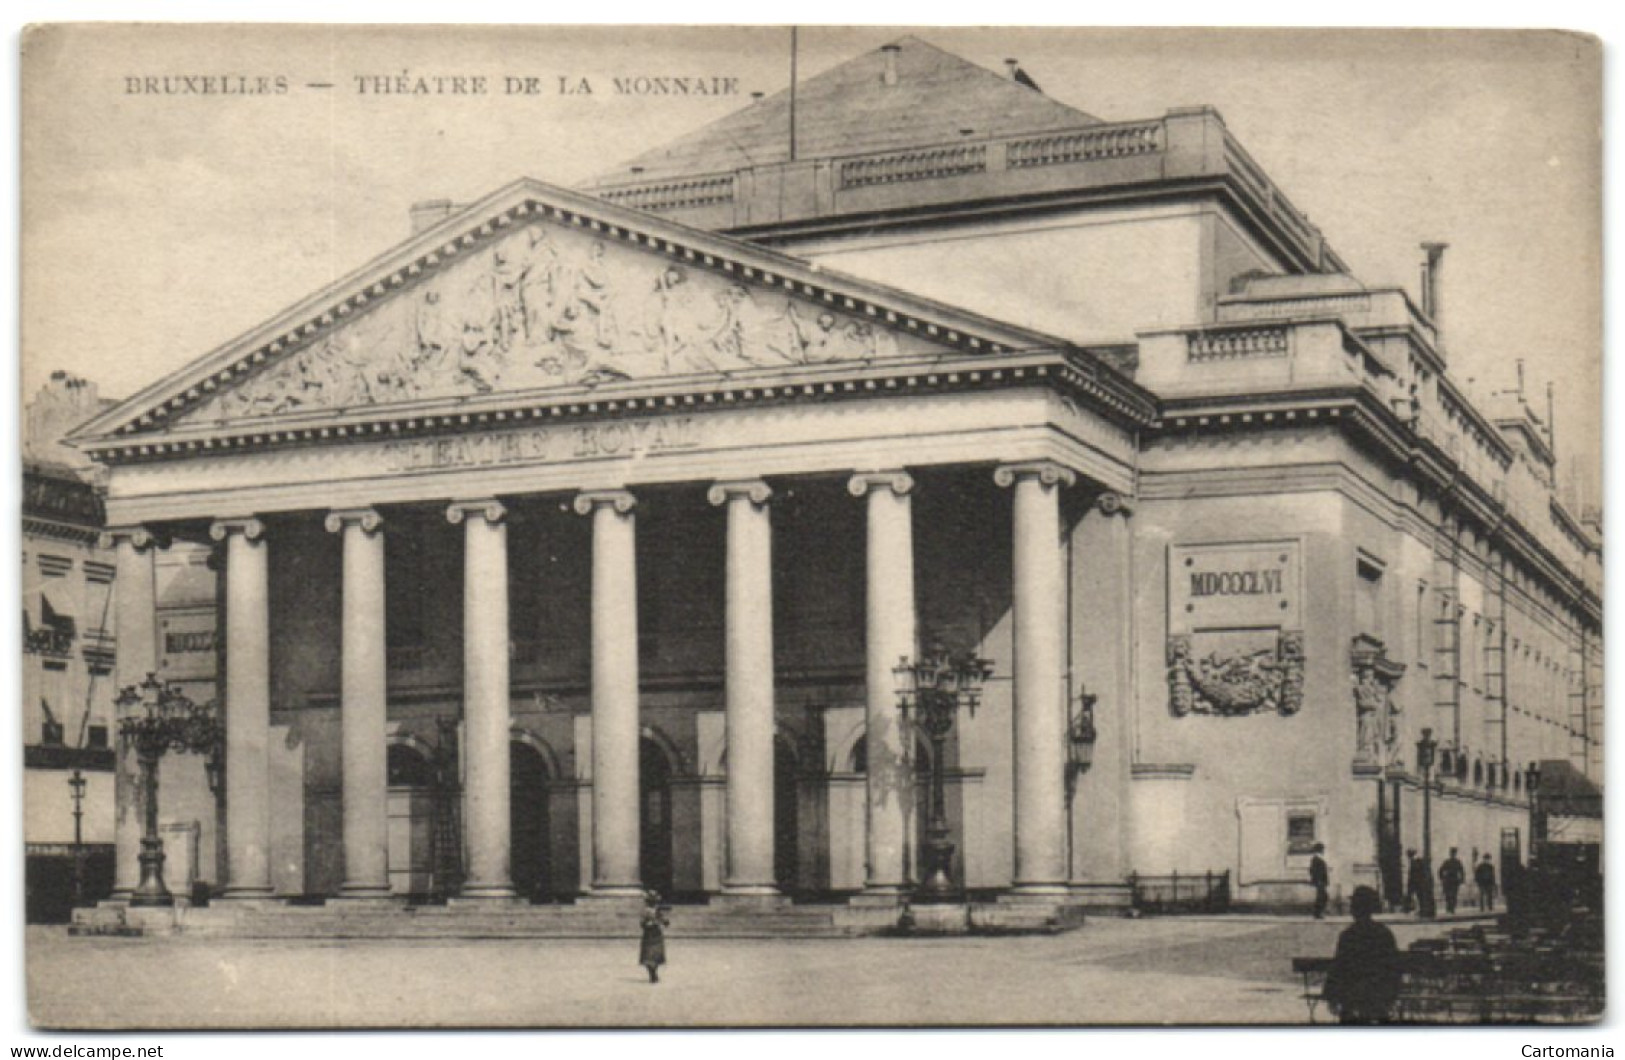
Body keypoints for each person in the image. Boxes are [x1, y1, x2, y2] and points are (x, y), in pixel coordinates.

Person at [1322, 885, 1403, 1024]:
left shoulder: (1348, 935)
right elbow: (1393, 966)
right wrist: (1392, 994)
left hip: (1352, 997)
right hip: (1378, 995)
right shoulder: (1383, 933)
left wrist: (1332, 995)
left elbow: (1339, 967)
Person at [640, 890, 670, 984]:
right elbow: (642, 922)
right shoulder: (646, 911)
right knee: (650, 953)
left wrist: (663, 921)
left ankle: (653, 973)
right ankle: (652, 973)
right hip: (651, 933)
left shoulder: (656, 910)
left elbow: (664, 920)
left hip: (654, 933)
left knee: (653, 953)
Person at [1407, 849, 1436, 919]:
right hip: (1422, 884)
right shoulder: (1419, 862)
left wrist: (1410, 886)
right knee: (1423, 897)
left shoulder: (1415, 862)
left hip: (1419, 884)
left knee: (1421, 898)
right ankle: (1427, 911)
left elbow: (1413, 876)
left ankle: (1425, 911)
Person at [1439, 848, 1465, 915]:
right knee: (1451, 895)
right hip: (1451, 880)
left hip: (1450, 880)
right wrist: (1462, 879)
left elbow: (1461, 871)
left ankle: (1451, 908)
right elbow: (1441, 870)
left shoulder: (1449, 862)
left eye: (1453, 853)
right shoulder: (1455, 862)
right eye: (1452, 853)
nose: (1453, 855)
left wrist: (1442, 878)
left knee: (1452, 895)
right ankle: (1450, 908)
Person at [1308, 843, 1330, 919]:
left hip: (1321, 881)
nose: (1323, 850)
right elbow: (1313, 870)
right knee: (1322, 897)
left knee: (1322, 896)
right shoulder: (1316, 859)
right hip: (1320, 881)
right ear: (1320, 850)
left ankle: (1318, 913)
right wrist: (1318, 880)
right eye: (1322, 849)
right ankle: (1318, 913)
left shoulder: (1318, 858)